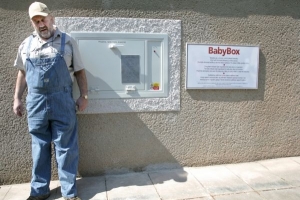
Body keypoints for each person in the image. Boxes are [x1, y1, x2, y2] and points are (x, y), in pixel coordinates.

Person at [13, 2, 88, 200]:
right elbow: (22, 73)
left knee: (66, 148)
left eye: (43, 19)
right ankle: (39, 191)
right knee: (39, 147)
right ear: (32, 23)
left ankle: (69, 193)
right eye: (36, 21)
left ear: (51, 18)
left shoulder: (68, 42)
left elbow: (80, 71)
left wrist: (83, 95)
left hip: (63, 100)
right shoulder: (25, 45)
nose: (41, 24)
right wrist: (17, 99)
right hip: (36, 102)